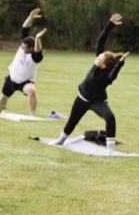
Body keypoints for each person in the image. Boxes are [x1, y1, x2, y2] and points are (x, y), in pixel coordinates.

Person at [54, 14, 128, 152]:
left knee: (110, 118)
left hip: (98, 102)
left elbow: (112, 76)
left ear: (104, 65)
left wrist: (120, 64)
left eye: (100, 57)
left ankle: (110, 150)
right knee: (72, 120)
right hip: (82, 98)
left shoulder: (106, 75)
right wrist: (110, 25)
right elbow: (101, 42)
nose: (98, 56)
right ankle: (61, 140)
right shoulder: (97, 64)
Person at [0, 8, 46, 116]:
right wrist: (30, 17)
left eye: (24, 48)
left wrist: (37, 38)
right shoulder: (24, 45)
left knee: (32, 91)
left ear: (31, 48)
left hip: (25, 83)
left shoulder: (35, 58)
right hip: (12, 78)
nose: (21, 48)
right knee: (3, 97)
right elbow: (25, 28)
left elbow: (38, 51)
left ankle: (32, 115)